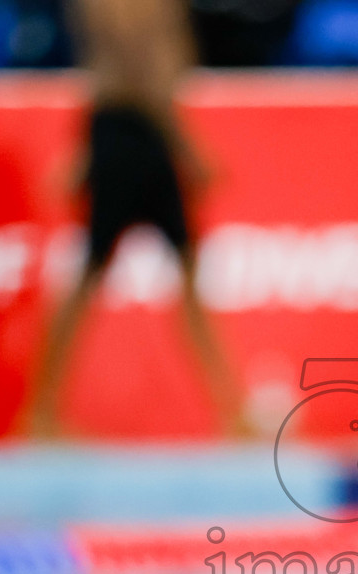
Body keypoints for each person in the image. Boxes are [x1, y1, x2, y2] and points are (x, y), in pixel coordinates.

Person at [31, 0, 244, 437]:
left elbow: (109, 66)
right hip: (138, 133)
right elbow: (139, 69)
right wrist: (188, 148)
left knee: (112, 278)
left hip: (122, 129)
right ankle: (41, 413)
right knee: (106, 278)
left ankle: (41, 412)